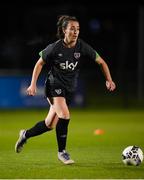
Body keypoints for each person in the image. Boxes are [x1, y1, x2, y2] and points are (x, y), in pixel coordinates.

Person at [15, 15, 116, 165]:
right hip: (53, 85)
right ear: (64, 30)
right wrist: (33, 84)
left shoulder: (82, 47)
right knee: (65, 115)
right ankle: (62, 152)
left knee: (50, 125)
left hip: (68, 89)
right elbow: (39, 64)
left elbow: (101, 62)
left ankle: (25, 134)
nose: (76, 32)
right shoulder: (55, 47)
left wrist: (109, 79)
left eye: (78, 29)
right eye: (72, 29)